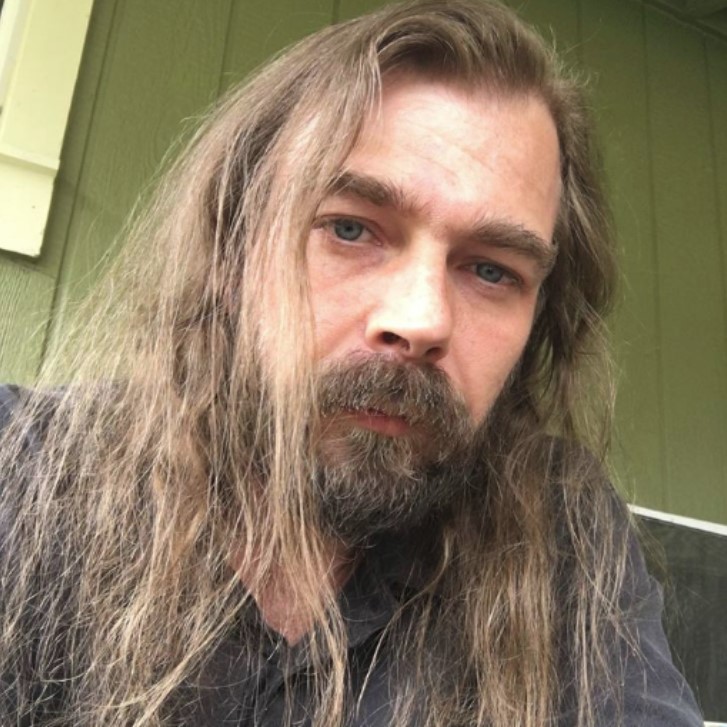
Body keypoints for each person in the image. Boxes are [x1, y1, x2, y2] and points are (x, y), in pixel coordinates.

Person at [0, 1, 704, 725]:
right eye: (348, 228)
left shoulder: (561, 528)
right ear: (231, 250)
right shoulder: (22, 471)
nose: (419, 319)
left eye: (491, 271)